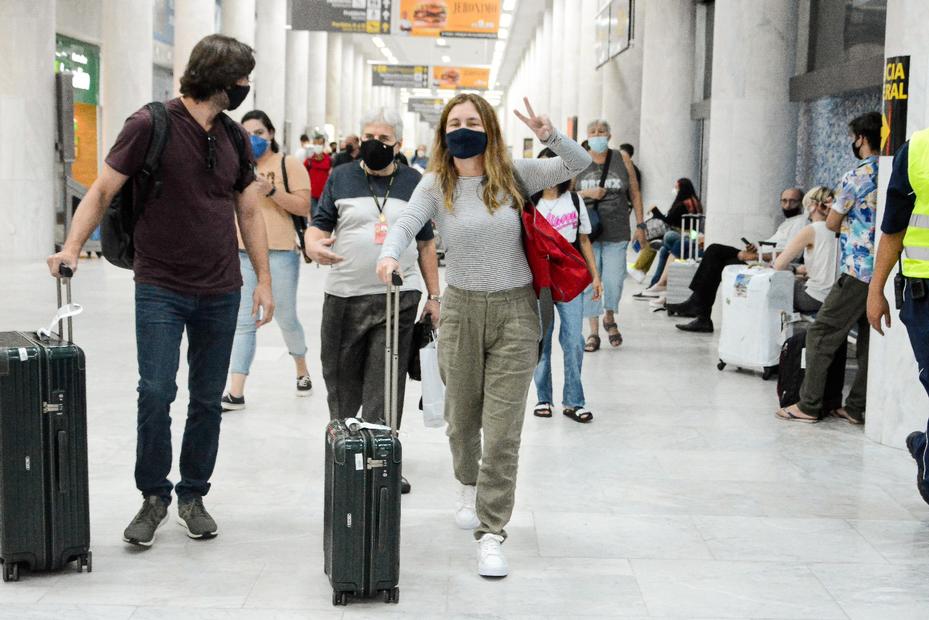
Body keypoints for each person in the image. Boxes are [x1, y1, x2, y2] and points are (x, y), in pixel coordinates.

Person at [46, 34, 272, 546]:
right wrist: (70, 247)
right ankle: (153, 495)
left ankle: (193, 494)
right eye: (241, 79)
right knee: (156, 391)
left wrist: (265, 281)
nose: (244, 88)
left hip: (221, 287)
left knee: (207, 399)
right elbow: (103, 189)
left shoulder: (234, 137)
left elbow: (249, 210)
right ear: (219, 79)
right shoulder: (150, 124)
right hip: (161, 286)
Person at [376, 95, 591, 578]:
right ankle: (468, 485)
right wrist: (389, 254)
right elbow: (407, 222)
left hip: (516, 313)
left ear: (489, 128)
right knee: (460, 420)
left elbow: (579, 163)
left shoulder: (514, 174)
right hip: (461, 312)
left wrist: (549, 134)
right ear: (443, 132)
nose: (464, 129)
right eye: (455, 123)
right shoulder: (436, 183)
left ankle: (492, 531)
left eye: (473, 122)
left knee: (502, 431)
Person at [305, 108, 441, 495]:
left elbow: (426, 242)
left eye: (382, 138)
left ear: (398, 144)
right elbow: (320, 223)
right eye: (367, 136)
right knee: (341, 377)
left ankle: (382, 459)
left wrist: (434, 296)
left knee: (386, 379)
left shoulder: (415, 182)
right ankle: (346, 453)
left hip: (397, 294)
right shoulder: (342, 175)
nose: (373, 144)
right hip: (344, 294)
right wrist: (313, 245)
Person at [777, 112, 881, 424]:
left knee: (821, 332)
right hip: (883, 268)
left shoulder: (857, 176)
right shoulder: (888, 170)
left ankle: (808, 405)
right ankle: (857, 406)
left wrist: (837, 214)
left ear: (861, 138)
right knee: (868, 338)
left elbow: (833, 222)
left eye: (854, 138)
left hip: (857, 268)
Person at [221, 110, 312, 412]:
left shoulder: (288, 164)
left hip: (281, 251)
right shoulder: (235, 165)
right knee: (244, 321)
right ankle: (236, 390)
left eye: (259, 132)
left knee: (285, 315)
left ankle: (301, 368)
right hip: (242, 251)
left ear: (271, 134)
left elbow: (302, 206)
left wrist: (270, 189)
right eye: (247, 133)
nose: (253, 138)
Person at [868, 126, 929, 505]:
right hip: (925, 294)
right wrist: (876, 289)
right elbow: (894, 227)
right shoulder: (919, 150)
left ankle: (924, 447)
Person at [666, 187, 808, 332]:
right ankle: (702, 315)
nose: (787, 205)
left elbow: (792, 254)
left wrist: (755, 255)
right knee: (719, 260)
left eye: (792, 201)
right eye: (784, 201)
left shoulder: (801, 222)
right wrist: (755, 249)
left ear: (801, 203)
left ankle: (698, 306)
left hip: (768, 266)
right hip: (760, 260)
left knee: (715, 250)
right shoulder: (787, 223)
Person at [530, 148, 603, 423]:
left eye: (555, 168)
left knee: (573, 340)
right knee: (542, 340)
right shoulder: (528, 202)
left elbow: (584, 240)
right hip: (539, 279)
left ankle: (574, 400)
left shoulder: (573, 200)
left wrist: (595, 276)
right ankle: (543, 398)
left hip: (569, 278)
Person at [576, 120, 646, 351]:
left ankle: (609, 316)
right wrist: (587, 192)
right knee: (590, 283)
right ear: (587, 136)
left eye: (602, 132)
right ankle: (593, 332)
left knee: (614, 280)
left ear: (609, 135)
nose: (597, 135)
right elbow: (565, 194)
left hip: (617, 230)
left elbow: (634, 192)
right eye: (593, 132)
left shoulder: (621, 159)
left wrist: (641, 224)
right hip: (588, 232)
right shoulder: (578, 159)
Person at [773, 186, 838, 313]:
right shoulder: (840, 230)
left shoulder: (811, 229)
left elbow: (779, 265)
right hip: (834, 298)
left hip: (813, 299)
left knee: (769, 285)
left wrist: (794, 269)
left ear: (812, 206)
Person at [635, 178, 703, 290]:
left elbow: (668, 220)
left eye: (677, 187)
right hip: (690, 235)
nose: (675, 190)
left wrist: (655, 210)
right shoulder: (694, 202)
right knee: (662, 248)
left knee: (658, 239)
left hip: (682, 234)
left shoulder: (682, 204)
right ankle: (653, 282)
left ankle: (642, 271)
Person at [304, 130, 332, 216]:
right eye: (315, 144)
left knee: (323, 216)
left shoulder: (329, 159)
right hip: (312, 193)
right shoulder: (309, 160)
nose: (317, 146)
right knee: (314, 216)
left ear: (323, 145)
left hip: (324, 193)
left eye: (319, 144)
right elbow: (304, 174)